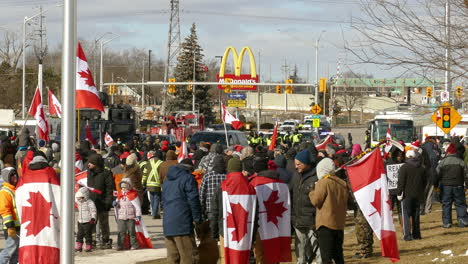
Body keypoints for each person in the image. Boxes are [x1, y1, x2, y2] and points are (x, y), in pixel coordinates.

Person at [162, 159, 202, 264]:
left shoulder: (167, 181)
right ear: (189, 169)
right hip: (182, 224)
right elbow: (193, 200)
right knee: (189, 257)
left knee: (172, 259)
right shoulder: (188, 178)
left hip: (168, 224)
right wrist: (198, 220)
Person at [310, 158, 348, 264]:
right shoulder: (342, 183)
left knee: (326, 257)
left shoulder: (323, 182)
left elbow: (316, 201)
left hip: (325, 224)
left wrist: (311, 191)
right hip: (339, 224)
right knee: (338, 255)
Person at [290, 149, 322, 264]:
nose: (296, 166)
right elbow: (291, 194)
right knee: (300, 251)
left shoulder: (316, 177)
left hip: (312, 221)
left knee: (317, 251)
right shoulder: (295, 176)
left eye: (298, 164)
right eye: (295, 163)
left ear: (306, 163)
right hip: (298, 220)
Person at [435, 143, 468, 228]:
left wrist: (436, 185)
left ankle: (447, 223)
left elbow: (437, 174)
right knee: (460, 204)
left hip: (446, 186)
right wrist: (467, 185)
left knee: (446, 204)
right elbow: (466, 175)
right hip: (459, 185)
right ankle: (463, 221)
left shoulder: (443, 162)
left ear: (448, 152)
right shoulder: (461, 162)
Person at [397, 150, 427, 241]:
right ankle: (416, 234)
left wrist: (399, 193)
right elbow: (425, 182)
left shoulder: (404, 167)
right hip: (418, 194)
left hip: (407, 194)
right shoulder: (422, 168)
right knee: (416, 215)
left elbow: (401, 182)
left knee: (406, 215)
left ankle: (407, 235)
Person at [86, 153, 114, 249]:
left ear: (97, 163)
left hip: (102, 202)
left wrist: (108, 202)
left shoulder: (106, 173)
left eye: (91, 162)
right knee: (91, 222)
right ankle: (91, 240)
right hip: (91, 202)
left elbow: (110, 189)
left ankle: (105, 240)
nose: (88, 164)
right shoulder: (88, 172)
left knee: (104, 223)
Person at [0, 167, 20, 263]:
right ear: (7, 177)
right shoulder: (5, 191)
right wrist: (10, 226)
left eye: (15, 174)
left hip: (17, 226)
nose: (15, 176)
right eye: (12, 175)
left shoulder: (14, 190)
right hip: (11, 227)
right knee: (8, 251)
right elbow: (4, 210)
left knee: (16, 252)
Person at [115, 178, 141, 250]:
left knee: (131, 232)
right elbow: (117, 206)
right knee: (121, 232)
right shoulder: (119, 195)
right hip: (121, 216)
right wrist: (115, 204)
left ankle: (134, 245)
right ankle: (120, 245)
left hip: (131, 217)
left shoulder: (133, 194)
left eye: (125, 187)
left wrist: (138, 215)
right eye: (122, 187)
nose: (124, 189)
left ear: (129, 187)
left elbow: (137, 206)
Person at [142, 151, 164, 219]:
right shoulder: (161, 163)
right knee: (157, 199)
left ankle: (153, 212)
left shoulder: (148, 162)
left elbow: (144, 174)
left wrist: (143, 182)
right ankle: (155, 213)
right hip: (157, 184)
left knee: (151, 199)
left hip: (149, 184)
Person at [75, 187, 97, 252]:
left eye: (80, 197)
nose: (79, 199)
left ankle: (88, 246)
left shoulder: (89, 202)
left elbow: (93, 210)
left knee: (88, 234)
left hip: (88, 221)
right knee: (79, 234)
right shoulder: (79, 202)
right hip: (80, 221)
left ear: (85, 196)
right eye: (78, 198)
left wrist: (93, 218)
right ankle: (79, 246)